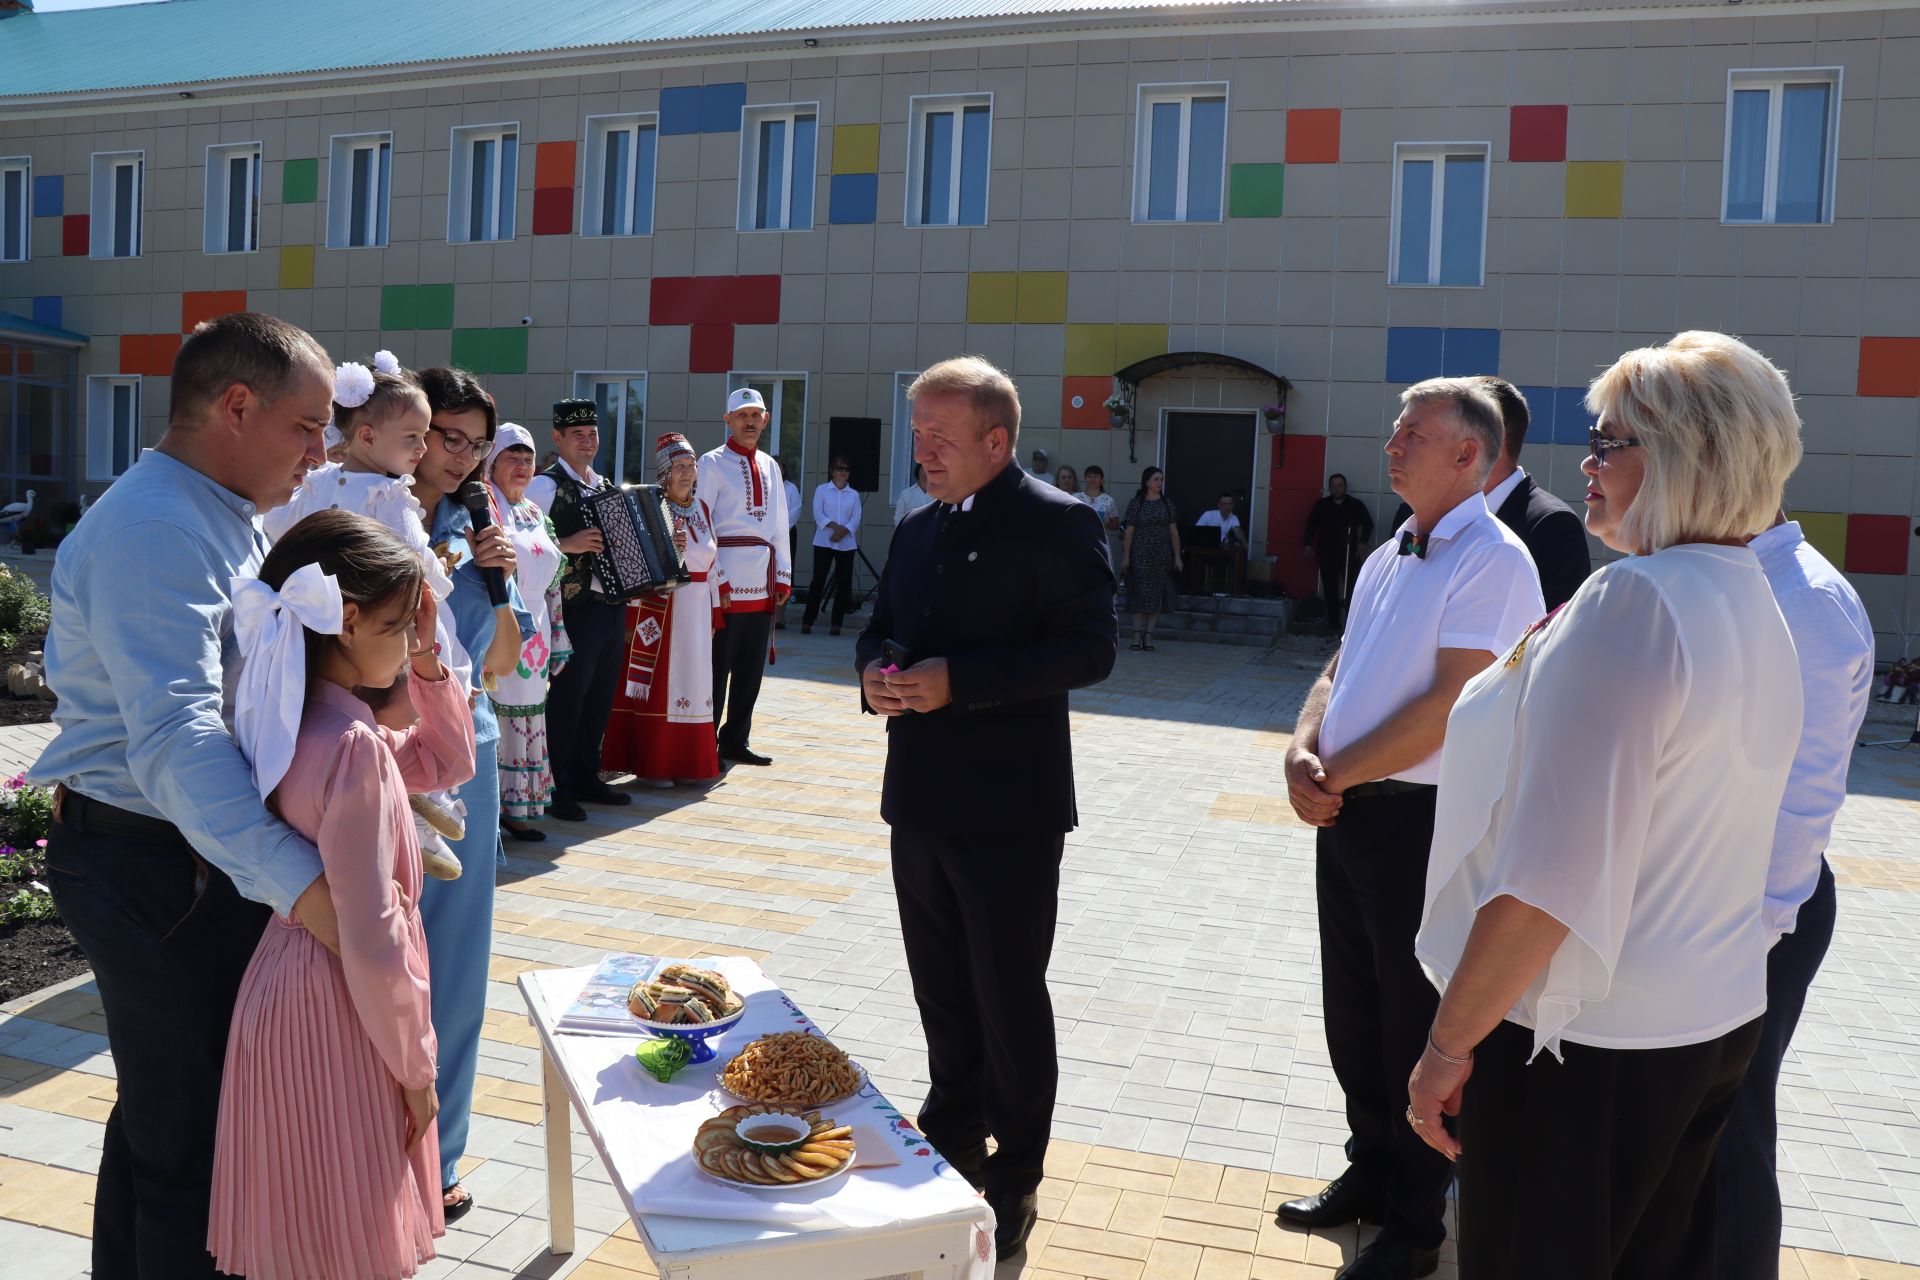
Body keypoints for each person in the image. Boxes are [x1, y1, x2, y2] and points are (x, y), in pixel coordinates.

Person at [1408, 332, 1806, 1280]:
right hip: (1707, 1018)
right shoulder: (1756, 594)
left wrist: (1444, 1045)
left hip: (1589, 1052)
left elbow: (1548, 880)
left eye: (1607, 443)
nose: (1584, 467)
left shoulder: (1632, 603)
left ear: (1681, 457)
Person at [32, 312, 342, 1278]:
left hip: (180, 858)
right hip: (154, 863)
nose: (320, 451)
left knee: (169, 1120)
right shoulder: (158, 527)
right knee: (192, 1151)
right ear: (236, 406)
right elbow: (178, 735)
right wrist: (302, 883)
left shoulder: (212, 510)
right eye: (307, 426)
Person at [1279, 378, 1542, 1280]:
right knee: (1353, 1014)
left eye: (1412, 432)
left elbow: (1451, 705)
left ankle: (1416, 1227)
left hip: (1420, 822)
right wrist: (1301, 747)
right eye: (1395, 427)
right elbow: (1341, 665)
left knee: (1411, 1021)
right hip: (1352, 812)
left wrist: (1334, 771)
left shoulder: (1493, 559)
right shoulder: (1395, 548)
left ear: (1468, 456)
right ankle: (1371, 1171)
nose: (1391, 443)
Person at [855, 356, 1116, 1259]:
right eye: (917, 429)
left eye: (939, 435)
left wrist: (957, 682)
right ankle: (952, 1130)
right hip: (919, 798)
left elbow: (1090, 651)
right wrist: (874, 675)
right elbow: (880, 622)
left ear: (995, 441)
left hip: (1008, 807)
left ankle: (1017, 1166)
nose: (920, 449)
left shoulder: (1056, 522)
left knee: (1007, 993)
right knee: (939, 988)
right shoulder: (920, 526)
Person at [209, 510, 475, 1280]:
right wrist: (419, 1069)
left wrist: (424, 656)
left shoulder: (294, 719)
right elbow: (375, 931)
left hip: (288, 989)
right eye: (397, 624)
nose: (407, 640)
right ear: (348, 620)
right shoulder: (353, 744)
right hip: (343, 1006)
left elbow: (443, 758)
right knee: (351, 1235)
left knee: (305, 1234)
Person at [1715, 509, 1873, 1280]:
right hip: (1733, 904)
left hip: (1759, 911)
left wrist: (1752, 936)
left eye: (1612, 446)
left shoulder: (1801, 599)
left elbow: (1802, 800)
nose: (1591, 465)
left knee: (1729, 1127)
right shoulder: (1751, 579)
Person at [265, 351, 467, 882]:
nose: (422, 449)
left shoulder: (317, 482)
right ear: (369, 437)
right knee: (414, 705)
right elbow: (417, 562)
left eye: (425, 438)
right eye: (413, 438)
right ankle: (424, 806)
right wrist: (442, 575)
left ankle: (417, 809)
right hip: (384, 614)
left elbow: (279, 531)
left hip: (324, 620)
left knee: (355, 717)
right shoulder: (390, 494)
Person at [411, 365, 532, 1225]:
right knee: (373, 959)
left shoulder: (474, 518)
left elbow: (502, 661)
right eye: (445, 437)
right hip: (378, 753)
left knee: (455, 966)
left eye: (474, 445)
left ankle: (439, 1157)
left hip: (469, 744)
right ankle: (368, 1142)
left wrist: (497, 574)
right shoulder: (354, 508)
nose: (459, 458)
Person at [528, 399, 634, 821]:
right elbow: (526, 543)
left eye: (592, 434)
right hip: (572, 607)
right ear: (557, 439)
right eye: (577, 435)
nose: (587, 441)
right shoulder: (545, 486)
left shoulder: (605, 485)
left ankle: (588, 774)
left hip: (609, 604)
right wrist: (567, 545)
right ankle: (558, 785)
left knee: (599, 696)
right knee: (569, 697)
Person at [602, 433, 727, 788]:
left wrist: (716, 611)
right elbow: (636, 559)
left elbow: (714, 563)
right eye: (679, 467)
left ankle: (689, 764)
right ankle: (657, 765)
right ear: (664, 474)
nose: (686, 473)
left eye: (690, 466)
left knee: (696, 684)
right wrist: (668, 547)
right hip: (665, 610)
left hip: (699, 611)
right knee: (665, 684)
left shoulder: (702, 509)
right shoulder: (653, 507)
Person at [698, 387, 792, 767]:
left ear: (765, 420)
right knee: (718, 667)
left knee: (751, 669)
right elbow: (700, 522)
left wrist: (783, 575)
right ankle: (704, 742)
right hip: (724, 582)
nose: (750, 421)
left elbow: (780, 524)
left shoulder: (771, 465)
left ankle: (736, 739)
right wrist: (714, 577)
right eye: (742, 415)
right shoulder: (710, 462)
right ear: (728, 420)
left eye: (756, 415)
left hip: (761, 578)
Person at [487, 423, 572, 842]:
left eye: (528, 460)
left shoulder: (535, 514)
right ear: (492, 463)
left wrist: (557, 635)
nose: (522, 467)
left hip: (536, 628)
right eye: (512, 458)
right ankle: (494, 809)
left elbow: (554, 581)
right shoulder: (487, 509)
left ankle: (519, 808)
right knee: (500, 713)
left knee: (530, 714)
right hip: (502, 627)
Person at [1477, 376, 1591, 610]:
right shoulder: (1417, 516)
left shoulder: (1552, 525)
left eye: (1420, 435)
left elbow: (1551, 632)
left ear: (1493, 440)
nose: (1394, 447)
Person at [1120, 466, 1181, 651]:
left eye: (1161, 479)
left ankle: (1149, 637)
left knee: (1156, 596)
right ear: (1147, 482)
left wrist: (1177, 557)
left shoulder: (1167, 504)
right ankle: (1136, 635)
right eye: (1155, 479)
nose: (1159, 483)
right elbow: (1129, 531)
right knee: (1139, 594)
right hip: (1140, 555)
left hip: (1161, 555)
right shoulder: (1136, 503)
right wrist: (1126, 557)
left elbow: (1173, 531)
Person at [1304, 474, 1374, 631]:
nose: (1337, 488)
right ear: (1329, 488)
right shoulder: (1321, 505)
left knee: (1351, 588)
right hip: (1326, 553)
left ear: (1345, 487)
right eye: (1333, 485)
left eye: (1340, 484)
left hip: (1350, 553)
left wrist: (1362, 543)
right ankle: (1333, 622)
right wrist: (1307, 544)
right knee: (1329, 588)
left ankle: (1350, 623)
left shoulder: (1355, 505)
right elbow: (1310, 526)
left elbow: (1368, 524)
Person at [802, 456, 862, 636]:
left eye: (846, 469)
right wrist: (835, 528)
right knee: (818, 581)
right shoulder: (822, 490)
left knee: (844, 584)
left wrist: (844, 532)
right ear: (832, 471)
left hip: (846, 544)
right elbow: (817, 513)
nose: (843, 472)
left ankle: (837, 623)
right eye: (839, 468)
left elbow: (856, 517)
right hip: (823, 541)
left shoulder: (854, 494)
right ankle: (808, 620)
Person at [1082, 464, 1121, 568]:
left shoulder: (1108, 500)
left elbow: (1116, 524)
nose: (1092, 479)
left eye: (1096, 476)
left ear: (1102, 480)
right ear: (1085, 479)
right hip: (1080, 541)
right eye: (1089, 476)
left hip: (1100, 543)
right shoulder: (1076, 497)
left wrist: (1106, 524)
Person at [777, 472, 801, 630]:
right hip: (765, 533)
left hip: (787, 532)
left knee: (784, 570)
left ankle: (780, 616)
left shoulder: (791, 489)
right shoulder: (762, 483)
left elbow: (795, 510)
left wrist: (781, 529)